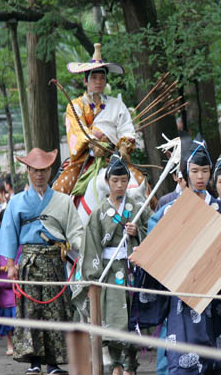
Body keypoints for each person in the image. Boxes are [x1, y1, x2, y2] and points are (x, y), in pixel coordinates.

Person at [137, 135, 221, 375]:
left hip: (212, 294)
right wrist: (143, 252)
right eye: (195, 171)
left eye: (205, 171)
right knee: (181, 360)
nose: (200, 177)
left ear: (211, 173)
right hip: (181, 295)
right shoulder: (169, 208)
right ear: (186, 173)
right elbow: (152, 245)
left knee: (214, 360)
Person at [0, 148, 83, 375]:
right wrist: (11, 266)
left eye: (43, 170)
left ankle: (54, 363)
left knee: (56, 311)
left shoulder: (63, 201)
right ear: (28, 171)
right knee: (30, 311)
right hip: (29, 263)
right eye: (35, 170)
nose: (39, 175)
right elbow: (8, 233)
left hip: (55, 261)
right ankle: (34, 362)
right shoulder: (16, 202)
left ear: (50, 170)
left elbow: (75, 231)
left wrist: (81, 249)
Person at [76, 154, 152, 374]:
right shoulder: (98, 213)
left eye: (123, 180)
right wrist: (93, 277)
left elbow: (156, 232)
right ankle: (117, 364)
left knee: (131, 318)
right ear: (107, 182)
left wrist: (138, 232)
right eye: (115, 181)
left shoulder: (138, 207)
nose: (119, 185)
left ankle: (131, 363)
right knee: (112, 319)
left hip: (131, 270)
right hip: (108, 273)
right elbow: (90, 247)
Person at [53, 44, 139, 196]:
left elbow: (126, 127)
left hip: (114, 156)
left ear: (106, 81)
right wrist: (93, 143)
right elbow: (78, 131)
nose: (98, 81)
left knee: (140, 182)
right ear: (85, 81)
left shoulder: (117, 105)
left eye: (102, 78)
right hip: (85, 158)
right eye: (94, 77)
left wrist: (125, 145)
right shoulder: (76, 105)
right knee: (59, 190)